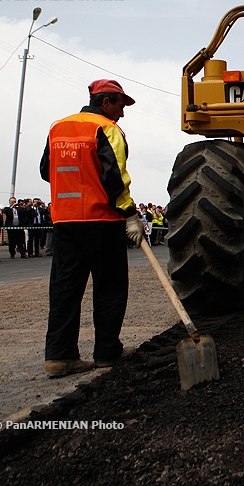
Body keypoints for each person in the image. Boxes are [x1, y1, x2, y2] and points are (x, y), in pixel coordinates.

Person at [39, 79, 145, 378]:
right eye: (121, 105)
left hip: (65, 221)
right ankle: (106, 352)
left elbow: (46, 171)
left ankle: (59, 357)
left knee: (64, 289)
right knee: (110, 287)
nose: (122, 113)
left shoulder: (57, 128)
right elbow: (115, 177)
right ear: (106, 102)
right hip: (102, 221)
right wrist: (130, 214)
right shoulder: (107, 129)